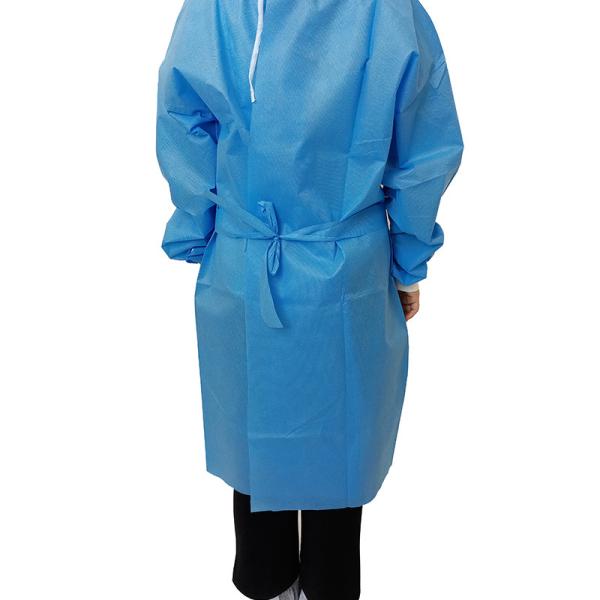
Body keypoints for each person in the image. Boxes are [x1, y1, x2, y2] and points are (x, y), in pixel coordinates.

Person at [156, 0, 463, 598]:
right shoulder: (388, 10)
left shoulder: (217, 9)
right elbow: (424, 149)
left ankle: (266, 579)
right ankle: (324, 583)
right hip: (347, 268)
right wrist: (407, 265)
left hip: (247, 262)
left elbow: (183, 119)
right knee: (338, 452)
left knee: (258, 451)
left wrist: (197, 224)